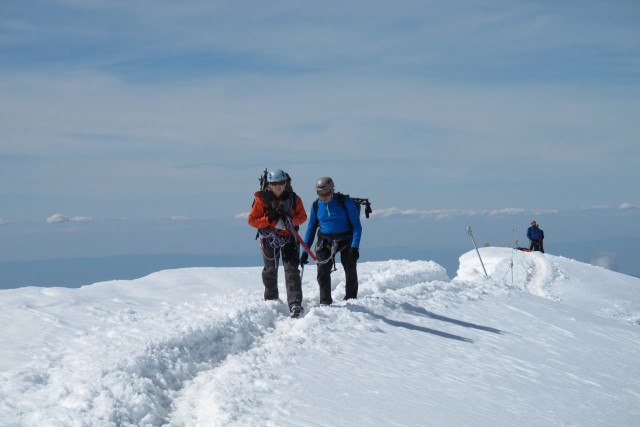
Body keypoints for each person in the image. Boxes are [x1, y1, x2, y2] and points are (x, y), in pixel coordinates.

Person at [248, 169, 308, 317]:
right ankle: (271, 300)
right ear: (269, 184)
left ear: (285, 183)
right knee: (270, 270)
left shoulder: (294, 199)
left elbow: (303, 216)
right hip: (269, 239)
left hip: (289, 239)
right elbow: (252, 220)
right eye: (275, 183)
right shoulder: (261, 200)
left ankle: (295, 304)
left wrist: (290, 222)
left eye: (281, 183)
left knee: (292, 270)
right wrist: (268, 220)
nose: (278, 186)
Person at [300, 177, 362, 305]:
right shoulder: (316, 205)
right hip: (325, 241)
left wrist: (354, 247)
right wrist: (304, 251)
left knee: (350, 269)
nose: (324, 197)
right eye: (320, 194)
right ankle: (325, 302)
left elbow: (357, 225)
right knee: (322, 271)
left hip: (346, 240)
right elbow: (310, 229)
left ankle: (351, 300)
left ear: (332, 190)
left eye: (327, 193)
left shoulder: (345, 202)